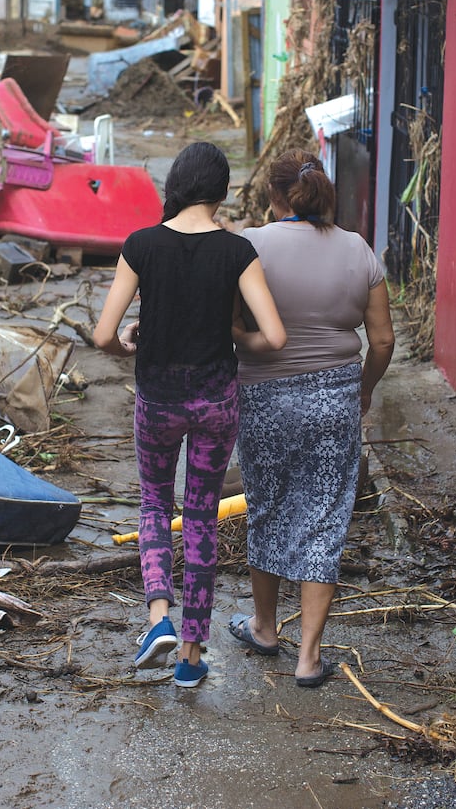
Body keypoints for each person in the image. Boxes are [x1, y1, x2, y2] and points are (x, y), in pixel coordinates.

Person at [93, 142, 286, 688]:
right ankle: (193, 657)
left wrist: (130, 343)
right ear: (222, 193)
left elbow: (104, 334)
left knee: (155, 503)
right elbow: (274, 336)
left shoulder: (141, 245)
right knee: (201, 516)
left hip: (157, 398)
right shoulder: (238, 251)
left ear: (175, 184)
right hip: (216, 401)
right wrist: (231, 332)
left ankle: (159, 619)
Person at [228, 148, 395, 688]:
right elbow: (384, 340)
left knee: (267, 507)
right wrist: (364, 389)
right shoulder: (358, 249)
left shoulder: (249, 246)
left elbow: (228, 321)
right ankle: (309, 657)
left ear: (274, 197)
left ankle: (264, 627)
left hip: (263, 397)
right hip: (335, 400)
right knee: (324, 516)